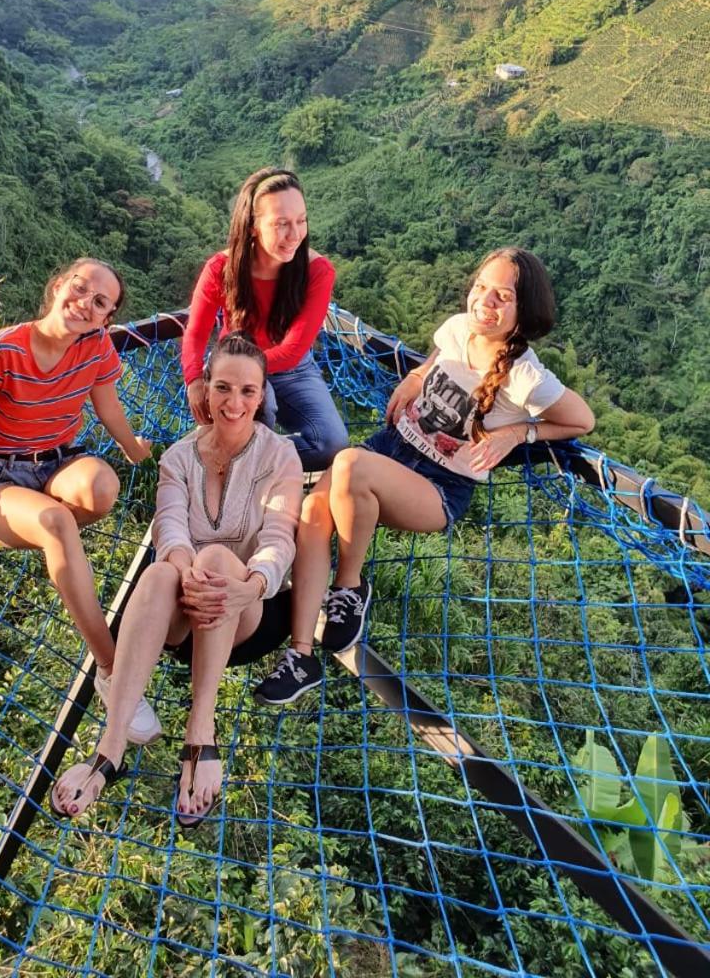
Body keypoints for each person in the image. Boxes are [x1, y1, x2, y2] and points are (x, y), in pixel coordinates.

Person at [253, 246, 596, 705]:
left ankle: (349, 588)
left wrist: (519, 433)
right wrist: (416, 378)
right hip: (391, 448)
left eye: (503, 296)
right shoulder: (458, 328)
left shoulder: (525, 376)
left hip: (439, 488)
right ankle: (301, 657)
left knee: (348, 464)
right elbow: (434, 358)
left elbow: (582, 420)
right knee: (314, 509)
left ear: (525, 309)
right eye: (481, 287)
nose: (485, 302)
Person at [51, 333, 303, 828]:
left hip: (248, 610)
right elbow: (170, 527)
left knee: (218, 557)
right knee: (161, 570)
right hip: (180, 616)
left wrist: (251, 584)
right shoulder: (178, 457)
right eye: (223, 387)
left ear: (261, 397)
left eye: (248, 391)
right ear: (206, 387)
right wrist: (187, 571)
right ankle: (110, 748)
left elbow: (279, 536)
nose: (234, 403)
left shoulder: (281, 457)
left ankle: (200, 729)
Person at [0, 257, 160, 744]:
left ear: (107, 317)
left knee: (103, 487)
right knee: (55, 522)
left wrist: (136, 450)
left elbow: (107, 404)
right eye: (80, 288)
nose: (85, 304)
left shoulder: (95, 345)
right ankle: (113, 673)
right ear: (59, 285)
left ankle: (57, 548)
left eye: (100, 302)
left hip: (58, 462)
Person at [181, 167, 349, 473]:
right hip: (233, 362)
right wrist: (194, 380)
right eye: (282, 224)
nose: (295, 235)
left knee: (331, 444)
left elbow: (293, 350)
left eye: (301, 221)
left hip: (293, 368)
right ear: (252, 227)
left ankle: (243, 461)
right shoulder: (222, 268)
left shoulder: (317, 271)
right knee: (262, 407)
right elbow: (196, 332)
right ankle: (242, 465)